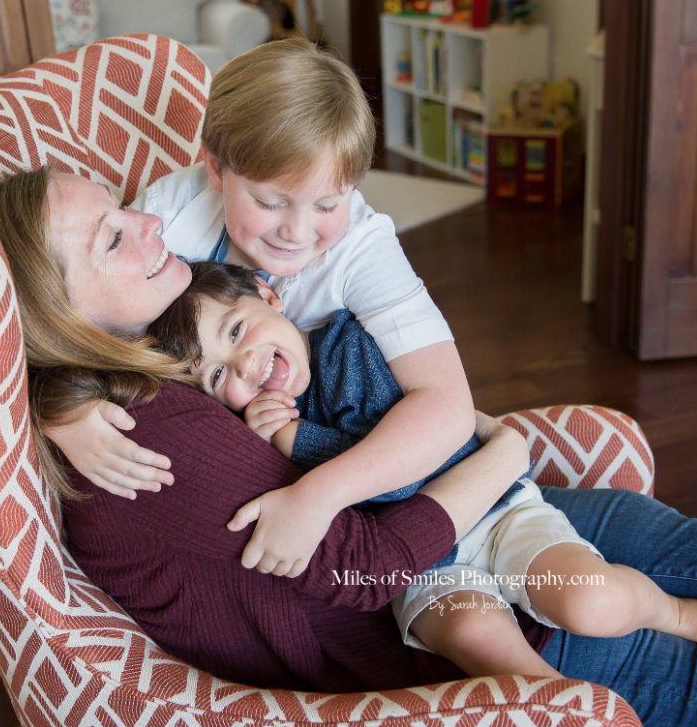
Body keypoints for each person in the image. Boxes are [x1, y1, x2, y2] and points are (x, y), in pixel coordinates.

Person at [0, 165, 697, 727]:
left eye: (131, 211)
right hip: (490, 614)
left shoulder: (154, 354)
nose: (152, 224)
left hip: (532, 520)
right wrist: (507, 450)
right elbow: (373, 568)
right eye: (112, 237)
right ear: (58, 308)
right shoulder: (152, 433)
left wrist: (61, 397)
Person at [148, 259, 697, 679]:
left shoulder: (343, 348)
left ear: (268, 294)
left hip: (491, 512)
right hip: (416, 567)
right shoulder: (249, 432)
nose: (247, 365)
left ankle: (675, 613)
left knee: (593, 603)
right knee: (480, 641)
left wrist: (295, 439)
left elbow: (398, 478)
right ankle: (567, 715)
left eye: (237, 330)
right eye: (218, 375)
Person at [49, 37, 479, 582]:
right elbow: (76, 323)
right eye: (270, 202)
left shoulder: (362, 247)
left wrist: (319, 495)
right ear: (215, 169)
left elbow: (446, 402)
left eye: (328, 203)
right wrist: (66, 410)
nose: (297, 234)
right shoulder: (167, 218)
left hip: (351, 440)